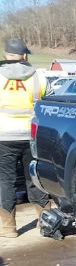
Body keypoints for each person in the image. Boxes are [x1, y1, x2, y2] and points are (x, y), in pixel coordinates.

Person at [0, 38, 49, 238]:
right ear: (25, 56)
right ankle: (45, 221)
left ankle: (8, 227)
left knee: (6, 179)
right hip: (31, 135)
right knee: (35, 177)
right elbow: (45, 105)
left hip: (4, 136)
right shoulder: (39, 77)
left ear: (5, 55)